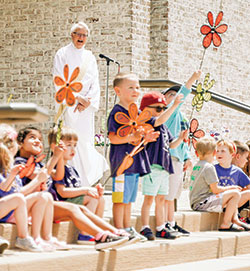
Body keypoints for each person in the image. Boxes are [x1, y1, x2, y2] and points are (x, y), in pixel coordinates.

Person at [14, 126, 133, 250]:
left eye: (39, 138)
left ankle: (114, 232)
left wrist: (58, 157)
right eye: (32, 137)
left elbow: (58, 175)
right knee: (74, 207)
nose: (38, 141)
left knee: (81, 208)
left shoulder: (39, 163)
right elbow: (42, 176)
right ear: (20, 143)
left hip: (46, 205)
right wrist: (55, 156)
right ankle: (99, 235)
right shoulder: (20, 163)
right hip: (33, 207)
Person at [108, 72, 183, 240]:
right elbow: (112, 137)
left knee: (128, 199)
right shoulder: (117, 111)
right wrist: (131, 138)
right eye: (131, 87)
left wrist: (145, 138)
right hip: (122, 162)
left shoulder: (136, 113)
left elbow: (140, 136)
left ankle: (127, 227)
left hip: (134, 163)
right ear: (118, 91)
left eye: (137, 88)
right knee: (120, 198)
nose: (135, 91)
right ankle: (118, 228)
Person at [53, 21, 108, 187]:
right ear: (72, 35)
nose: (81, 38)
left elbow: (94, 83)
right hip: (69, 104)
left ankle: (86, 180)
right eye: (78, 34)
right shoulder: (61, 54)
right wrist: (77, 98)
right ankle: (71, 179)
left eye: (84, 35)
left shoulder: (90, 57)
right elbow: (59, 80)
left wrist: (87, 101)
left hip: (85, 108)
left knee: (85, 142)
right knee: (70, 140)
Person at [0, 124, 65, 252]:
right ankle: (23, 238)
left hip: (12, 209)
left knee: (45, 196)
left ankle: (42, 238)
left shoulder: (11, 168)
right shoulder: (17, 165)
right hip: (5, 208)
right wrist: (37, 181)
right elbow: (8, 191)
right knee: (19, 198)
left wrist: (38, 186)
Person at [48, 126, 110, 244]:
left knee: (100, 199)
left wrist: (93, 190)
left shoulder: (72, 169)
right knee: (92, 198)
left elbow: (76, 191)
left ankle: (99, 231)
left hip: (72, 204)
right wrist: (86, 190)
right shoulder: (55, 166)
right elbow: (62, 192)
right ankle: (84, 234)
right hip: (61, 205)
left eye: (75, 145)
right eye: (69, 145)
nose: (73, 149)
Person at [139, 91, 188, 240]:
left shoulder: (164, 128)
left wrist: (180, 138)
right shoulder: (148, 123)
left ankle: (160, 227)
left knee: (161, 198)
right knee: (149, 198)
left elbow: (171, 145)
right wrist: (174, 105)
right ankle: (144, 227)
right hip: (152, 166)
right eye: (159, 108)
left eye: (163, 108)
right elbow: (159, 120)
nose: (162, 111)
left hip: (164, 168)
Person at [162, 71, 201, 236]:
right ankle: (164, 223)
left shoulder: (181, 116)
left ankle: (171, 222)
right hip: (167, 157)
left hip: (178, 158)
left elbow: (184, 139)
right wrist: (192, 78)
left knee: (173, 195)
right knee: (166, 194)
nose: (175, 97)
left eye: (175, 95)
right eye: (171, 95)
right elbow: (182, 94)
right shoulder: (167, 114)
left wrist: (187, 157)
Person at [189, 137, 244, 231]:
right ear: (214, 153)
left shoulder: (197, 165)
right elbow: (215, 189)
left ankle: (235, 219)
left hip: (195, 202)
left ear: (196, 153)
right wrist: (231, 187)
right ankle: (226, 223)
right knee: (235, 194)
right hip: (202, 202)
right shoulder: (209, 167)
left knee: (231, 194)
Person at [215, 139, 250, 228]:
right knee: (235, 193)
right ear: (237, 156)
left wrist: (242, 189)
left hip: (231, 202)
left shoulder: (237, 171)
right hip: (219, 200)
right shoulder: (213, 168)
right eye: (246, 158)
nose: (246, 161)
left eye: (222, 151)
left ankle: (236, 218)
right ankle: (233, 219)